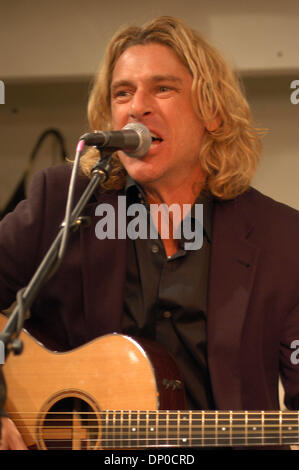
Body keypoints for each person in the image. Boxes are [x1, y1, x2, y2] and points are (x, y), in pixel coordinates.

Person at [0, 16, 298, 450]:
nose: (136, 106)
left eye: (163, 88)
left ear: (213, 112)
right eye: (123, 92)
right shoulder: (59, 204)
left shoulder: (283, 240)